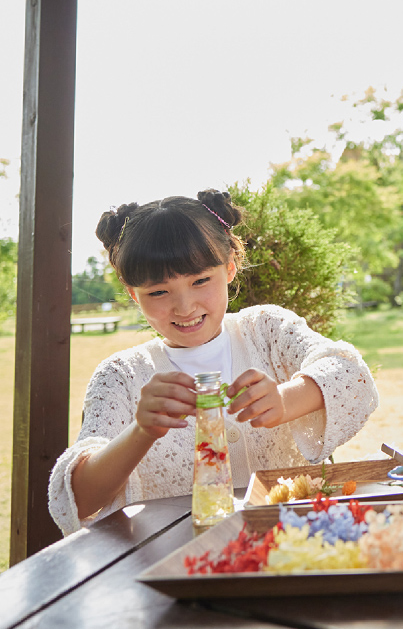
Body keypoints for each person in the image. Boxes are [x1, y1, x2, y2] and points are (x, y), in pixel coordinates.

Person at [49, 189, 379, 535]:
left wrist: (285, 400)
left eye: (201, 281)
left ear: (230, 267)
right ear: (133, 293)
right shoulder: (122, 376)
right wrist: (141, 430)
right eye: (158, 292)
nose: (184, 307)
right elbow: (80, 500)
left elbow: (351, 374)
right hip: (178, 561)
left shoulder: (266, 330)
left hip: (289, 545)